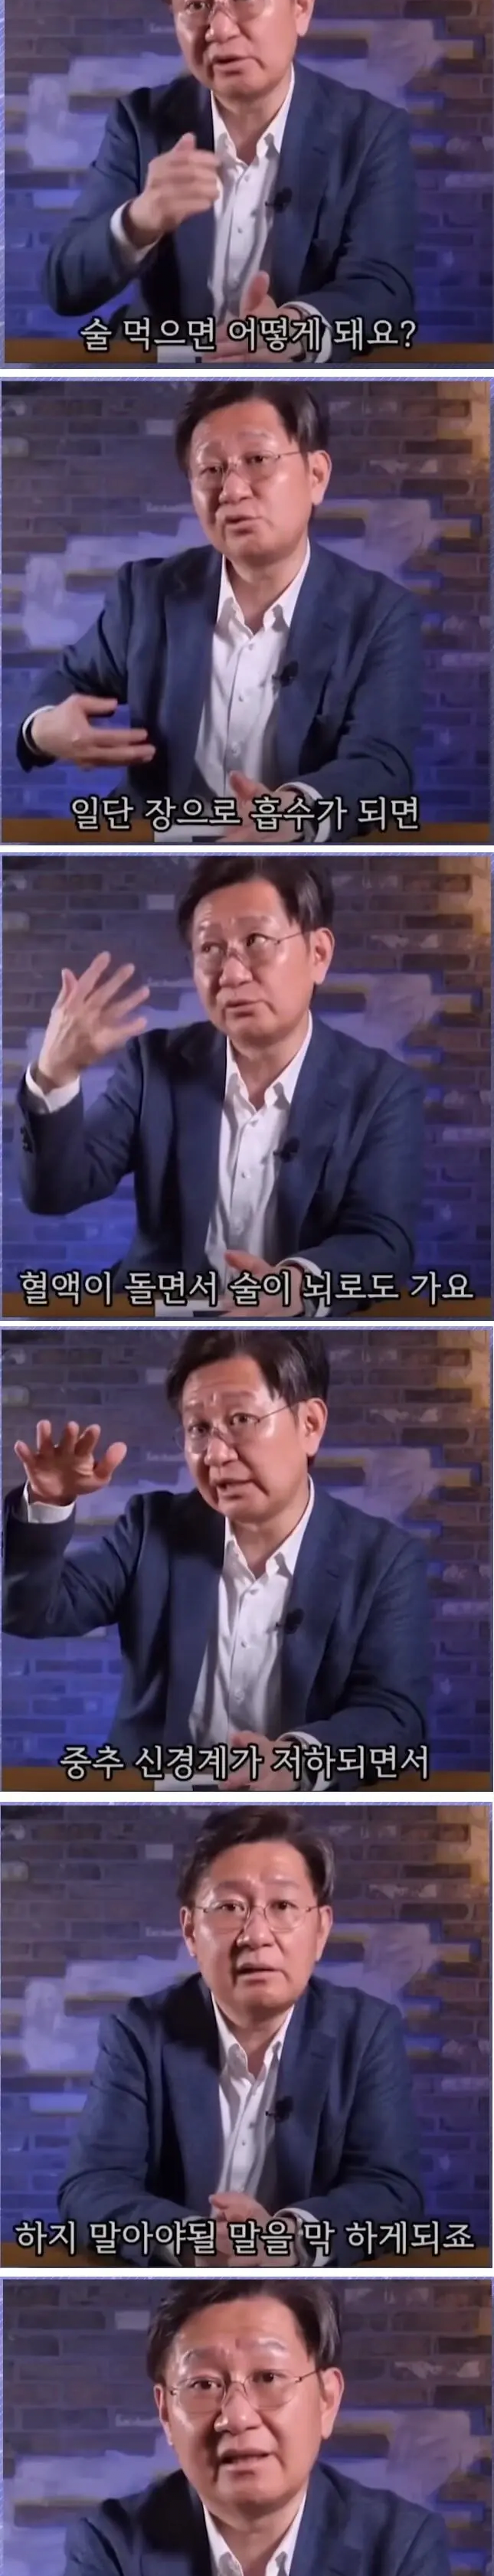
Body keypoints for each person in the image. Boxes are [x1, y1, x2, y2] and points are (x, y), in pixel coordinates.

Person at [21, 2275, 460, 2576]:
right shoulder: (112, 2542)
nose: (236, 2416)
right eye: (203, 2384)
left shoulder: (401, 2545)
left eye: (268, 2378)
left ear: (327, 2400)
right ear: (166, 2413)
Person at [2, 1325, 430, 1762]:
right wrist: (48, 1501)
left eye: (241, 1420)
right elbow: (29, 1611)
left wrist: (294, 1762)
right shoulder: (152, 1529)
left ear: (310, 1425)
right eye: (199, 1429)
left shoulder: (386, 1561)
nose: (216, 1454)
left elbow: (393, 1716)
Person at [18, 381, 420, 825]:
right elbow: (64, 682)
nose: (231, 490)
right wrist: (42, 729)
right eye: (210, 469)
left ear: (316, 476)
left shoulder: (380, 614)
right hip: (159, 842)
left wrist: (292, 813)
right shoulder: (149, 594)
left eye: (258, 460)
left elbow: (381, 765)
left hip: (293, 849)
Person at [15, 857, 421, 1293]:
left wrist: (294, 1287)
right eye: (210, 949)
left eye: (256, 940)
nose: (231, 974)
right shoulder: (155, 1064)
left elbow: (382, 1241)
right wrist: (54, 1075)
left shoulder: (382, 1089)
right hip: (159, 1311)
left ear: (318, 954)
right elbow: (56, 1192)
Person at [57, 1806, 424, 2253]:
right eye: (229, 1907)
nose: (256, 1935)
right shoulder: (139, 2033)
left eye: (283, 1906)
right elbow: (91, 2189)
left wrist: (288, 2239)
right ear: (191, 1931)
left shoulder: (366, 2032)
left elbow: (391, 2191)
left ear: (321, 1930)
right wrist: (196, 2241)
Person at [44, 0, 415, 345]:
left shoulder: (371, 132)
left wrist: (293, 333)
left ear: (300, 6)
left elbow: (384, 291)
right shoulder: (141, 122)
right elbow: (64, 286)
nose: (219, 29)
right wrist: (140, 220)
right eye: (196, 4)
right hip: (168, 365)